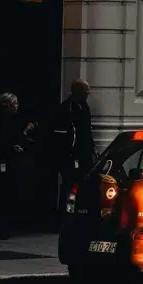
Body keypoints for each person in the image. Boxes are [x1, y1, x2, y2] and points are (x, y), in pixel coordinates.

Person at [0, 93, 36, 239]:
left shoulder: (4, 119)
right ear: (8, 105)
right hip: (0, 161)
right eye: (15, 104)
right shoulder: (2, 120)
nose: (17, 106)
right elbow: (5, 139)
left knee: (2, 194)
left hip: (2, 160)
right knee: (0, 194)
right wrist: (20, 138)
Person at [51, 79, 94, 215]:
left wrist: (92, 149)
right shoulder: (66, 109)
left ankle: (77, 212)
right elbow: (67, 135)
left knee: (81, 185)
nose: (87, 94)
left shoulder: (84, 107)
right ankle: (66, 213)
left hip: (83, 154)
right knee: (70, 186)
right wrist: (69, 153)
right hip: (71, 156)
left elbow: (87, 131)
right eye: (86, 92)